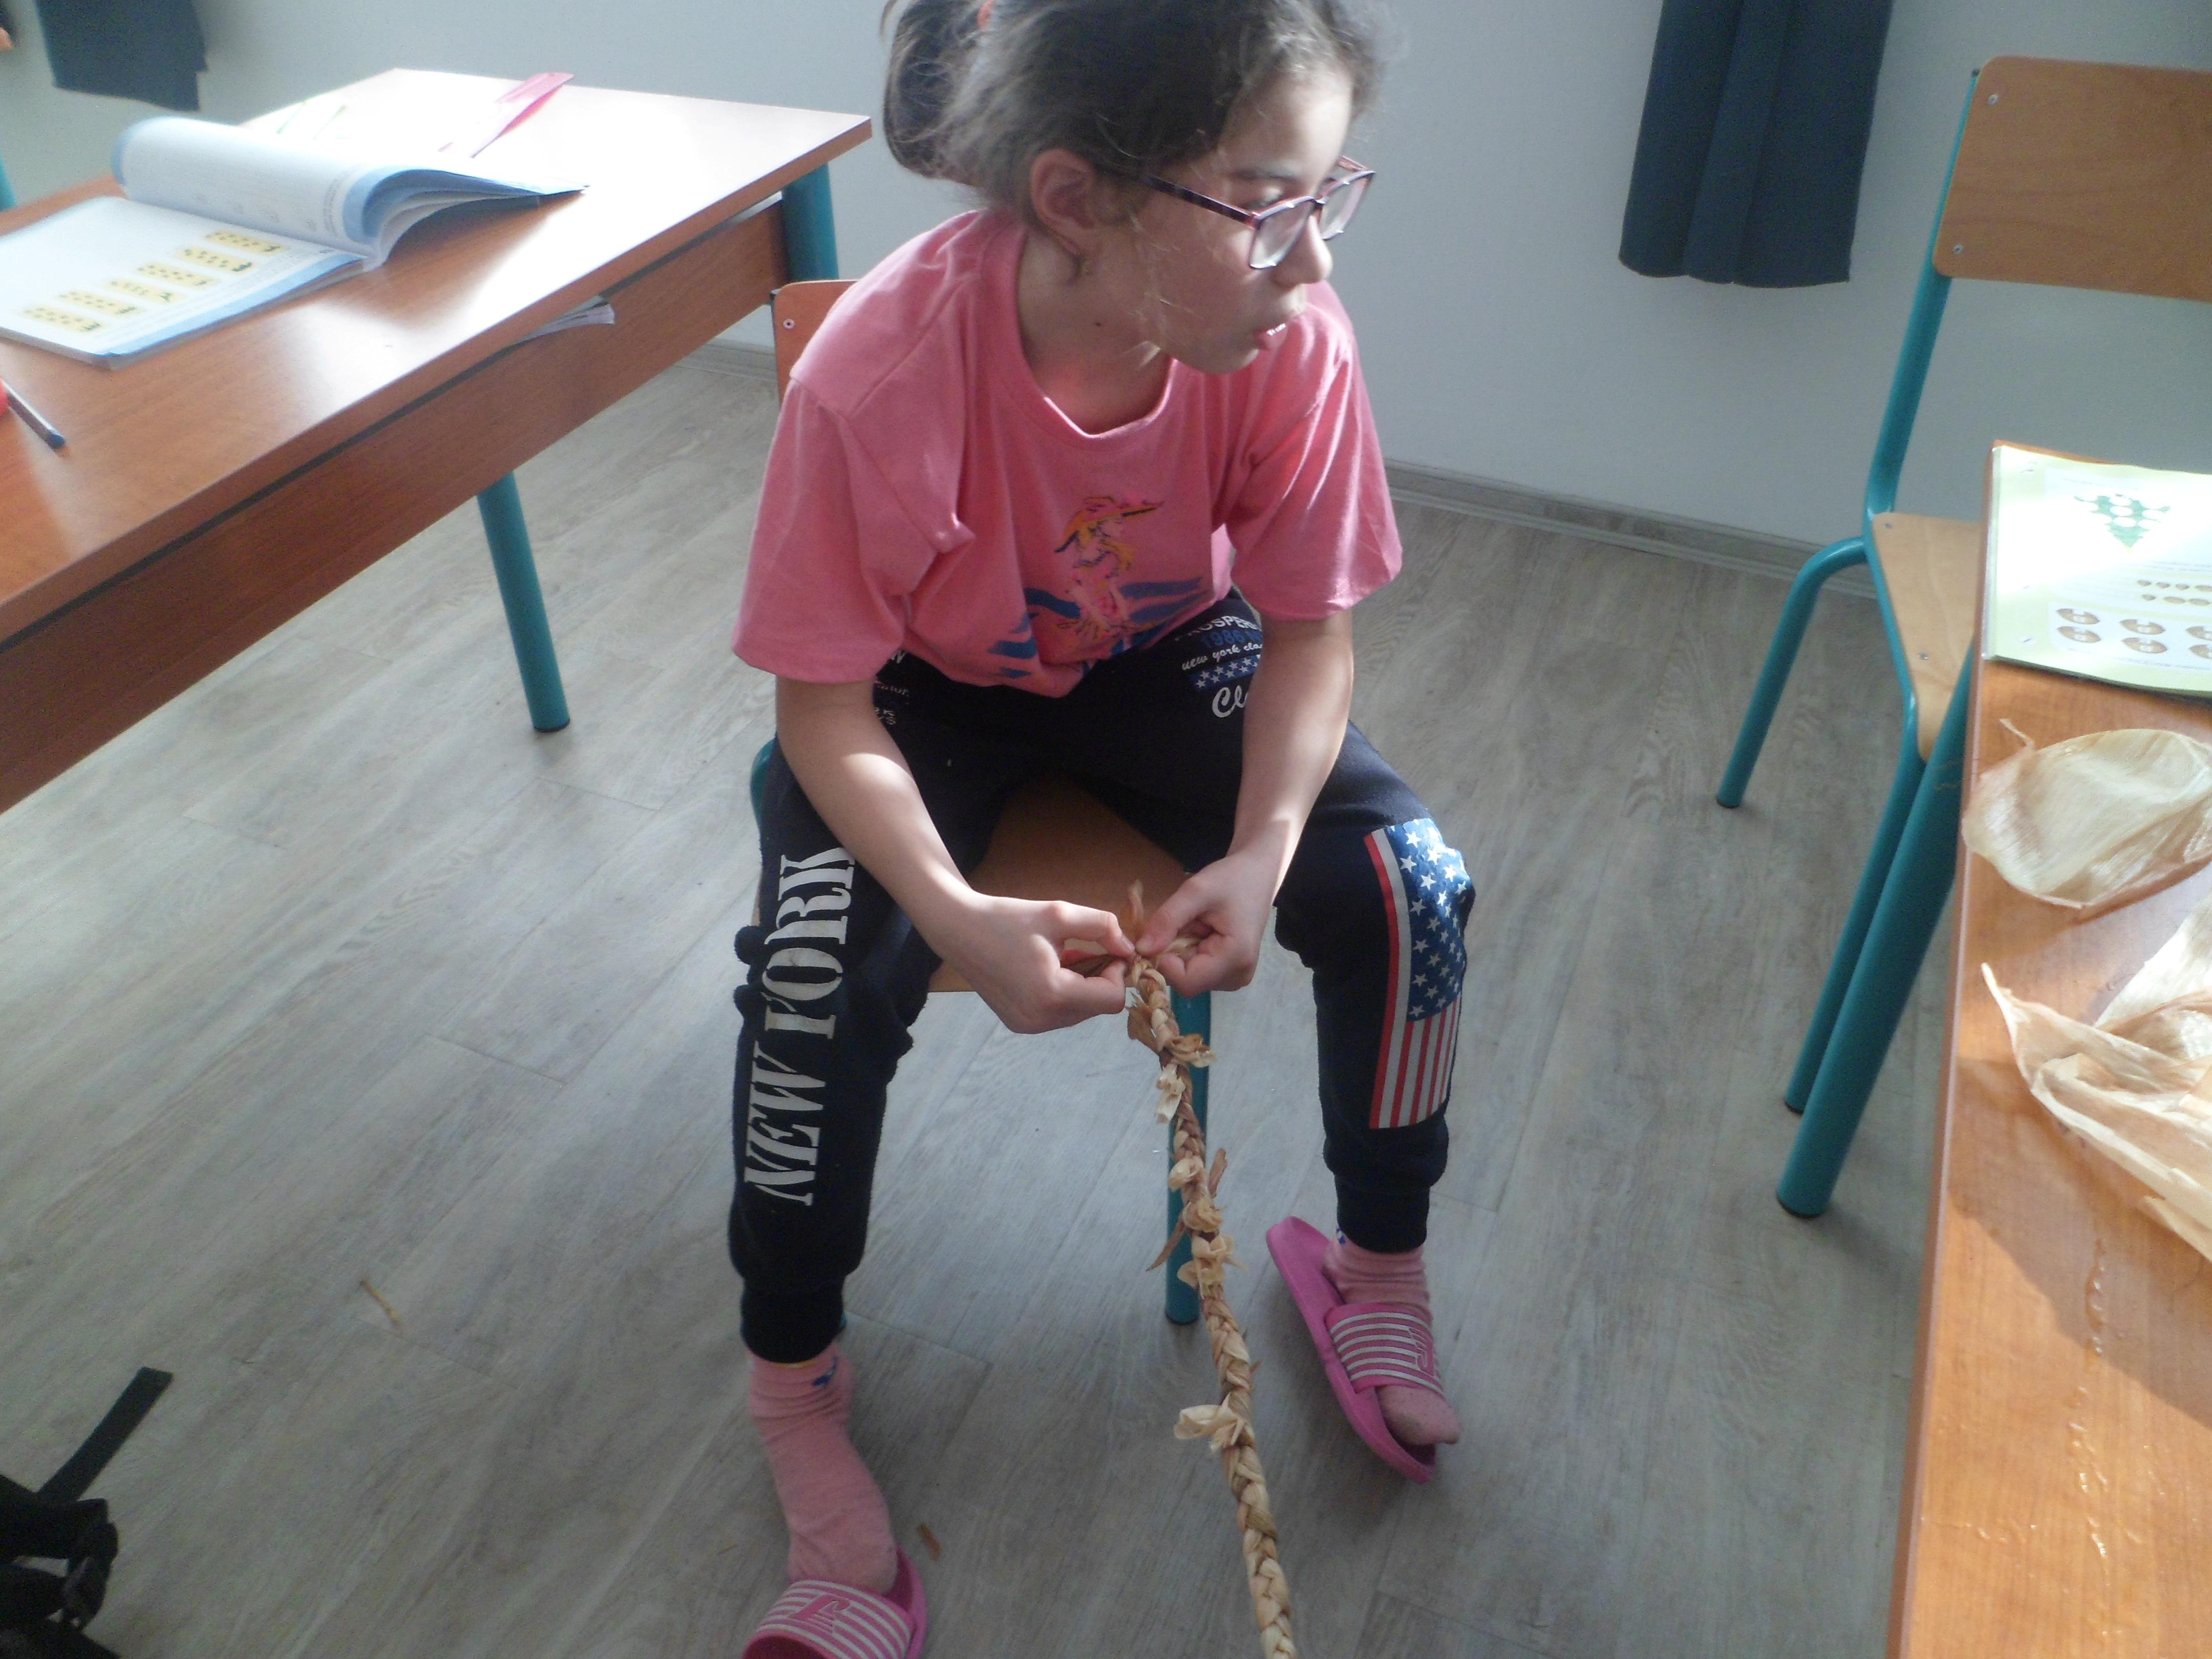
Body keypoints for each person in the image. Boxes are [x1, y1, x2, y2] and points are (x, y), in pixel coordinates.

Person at [728, 2, 1473, 1651]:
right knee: (809, 972)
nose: (1312, 262)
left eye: (1328, 197)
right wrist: (949, 911)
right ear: (1076, 197)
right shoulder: (881, 373)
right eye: (1265, 206)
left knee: (1406, 880)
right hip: (920, 689)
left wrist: (1265, 853)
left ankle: (1379, 1268)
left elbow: (1308, 635)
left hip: (1162, 652)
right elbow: (823, 708)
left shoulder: (1288, 344)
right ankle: (793, 1379)